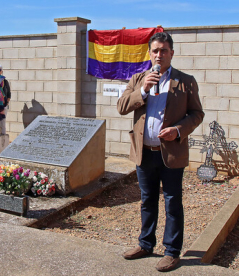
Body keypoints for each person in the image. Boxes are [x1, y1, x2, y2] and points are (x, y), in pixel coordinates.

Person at [117, 32, 204, 272]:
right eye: (155, 50)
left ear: (171, 53)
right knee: (147, 200)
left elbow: (197, 114)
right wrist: (143, 91)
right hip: (144, 152)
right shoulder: (138, 79)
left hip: (171, 153)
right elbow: (122, 107)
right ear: (149, 53)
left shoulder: (186, 81)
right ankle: (145, 244)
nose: (159, 55)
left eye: (164, 50)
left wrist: (178, 130)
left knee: (173, 202)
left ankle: (172, 252)